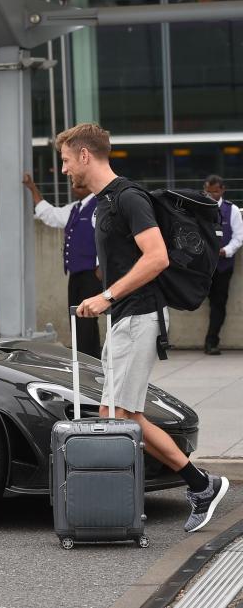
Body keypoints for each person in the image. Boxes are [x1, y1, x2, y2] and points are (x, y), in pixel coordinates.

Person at [64, 122, 229, 533]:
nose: (64, 170)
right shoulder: (106, 202)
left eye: (66, 161)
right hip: (127, 317)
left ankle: (192, 486)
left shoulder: (127, 197)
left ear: (85, 155)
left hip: (137, 316)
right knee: (120, 414)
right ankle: (191, 485)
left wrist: (108, 296)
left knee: (117, 414)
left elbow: (156, 257)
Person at [23, 173, 102, 359]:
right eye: (74, 185)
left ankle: (86, 361)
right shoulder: (74, 208)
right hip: (75, 274)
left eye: (80, 185)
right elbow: (50, 215)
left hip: (91, 274)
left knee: (85, 323)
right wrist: (32, 189)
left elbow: (104, 239)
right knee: (77, 320)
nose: (76, 188)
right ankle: (89, 360)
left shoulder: (98, 207)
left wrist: (100, 269)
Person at [202, 174, 242, 355]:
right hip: (204, 267)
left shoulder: (231, 210)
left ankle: (211, 341)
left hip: (223, 266)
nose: (211, 195)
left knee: (218, 304)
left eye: (215, 192)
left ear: (222, 190)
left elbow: (239, 237)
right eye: (208, 192)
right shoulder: (200, 208)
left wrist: (226, 251)